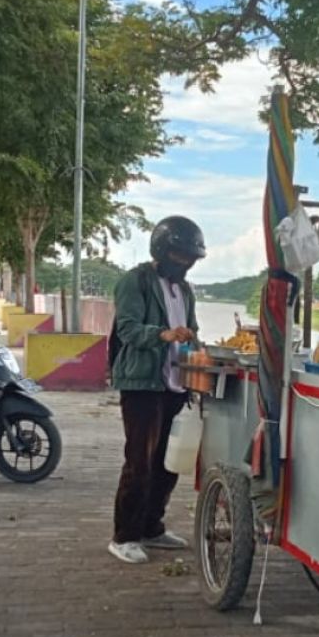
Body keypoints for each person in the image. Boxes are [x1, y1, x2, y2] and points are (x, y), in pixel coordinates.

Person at [108, 216, 204, 565]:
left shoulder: (186, 290)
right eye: (179, 256)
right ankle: (125, 535)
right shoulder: (136, 281)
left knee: (168, 461)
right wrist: (163, 334)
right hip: (142, 383)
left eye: (190, 258)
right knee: (140, 461)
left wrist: (195, 344)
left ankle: (152, 526)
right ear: (162, 251)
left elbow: (192, 329)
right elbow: (128, 329)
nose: (185, 263)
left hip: (175, 384)